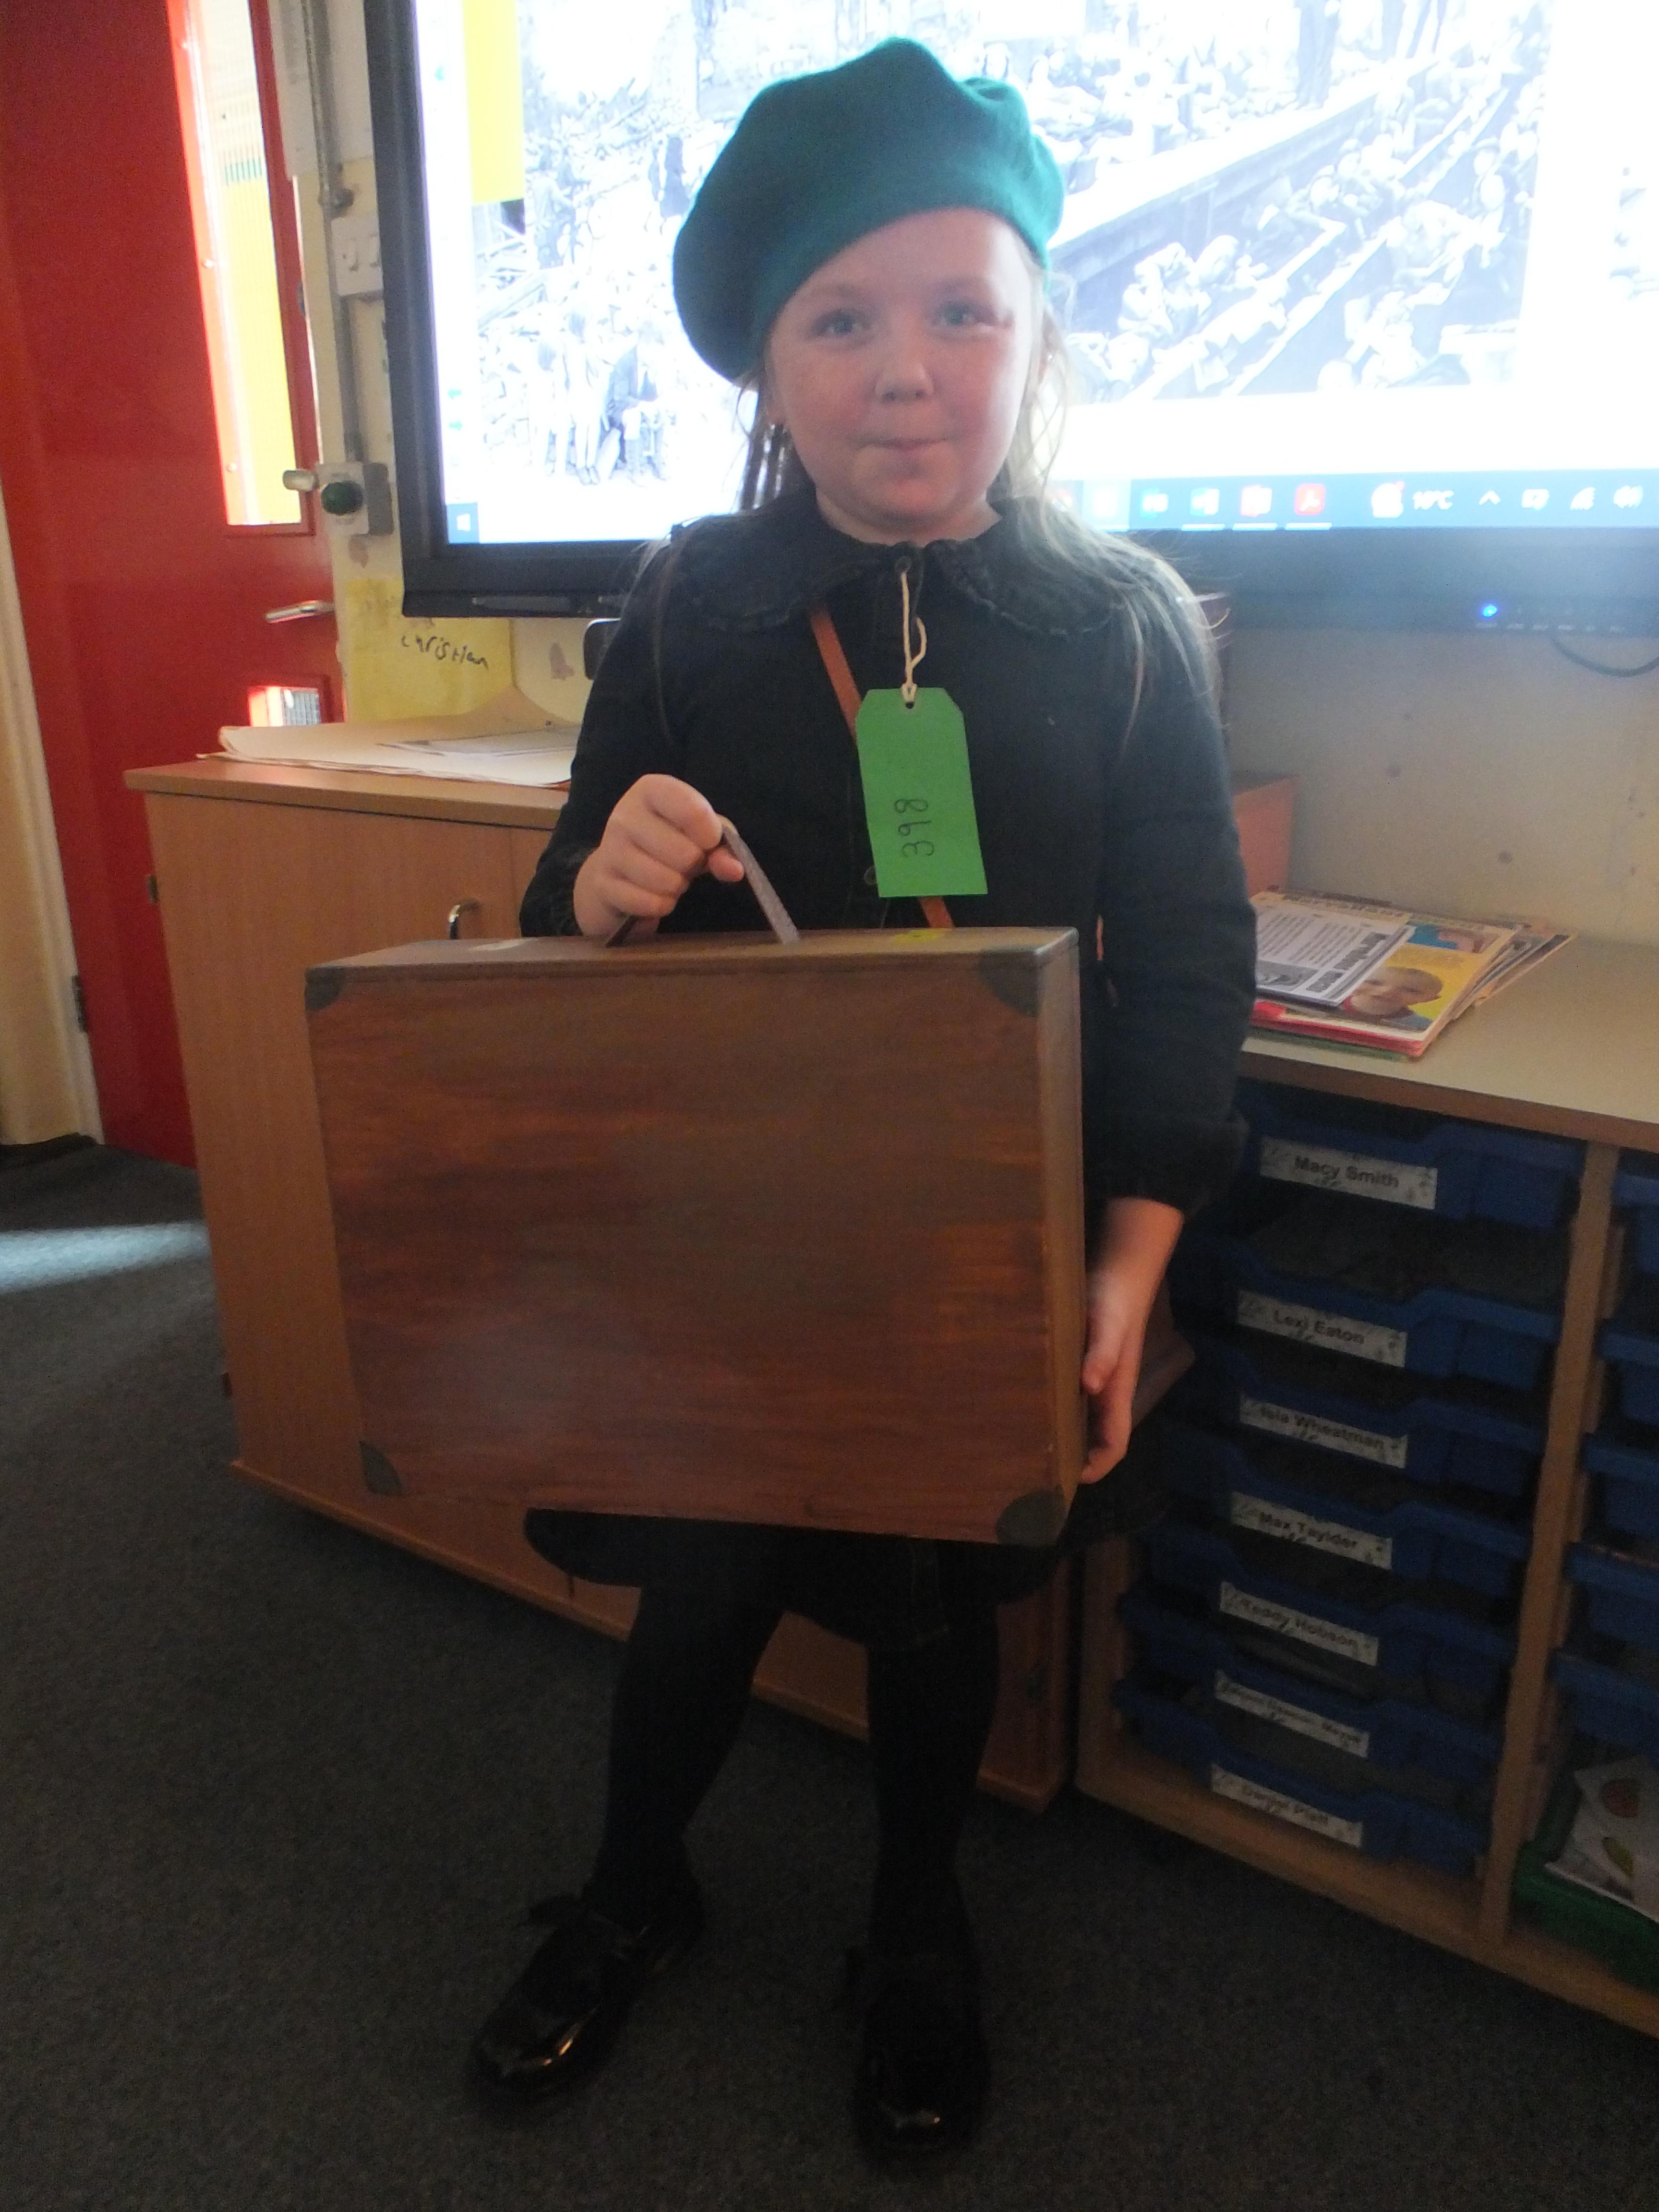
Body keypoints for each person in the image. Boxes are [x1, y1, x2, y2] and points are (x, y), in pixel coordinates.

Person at [474, 39, 1255, 2165]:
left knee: (933, 1592)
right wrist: (604, 885)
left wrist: (1127, 1268)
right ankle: (636, 1887)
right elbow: (562, 914)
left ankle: (916, 1927)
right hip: (736, 1236)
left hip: (988, 1236)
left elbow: (1190, 967)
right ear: (769, 361)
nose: (905, 370)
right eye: (840, 319)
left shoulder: (1124, 627)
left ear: (1036, 333)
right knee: (707, 1576)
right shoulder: (690, 602)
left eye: (960, 310)